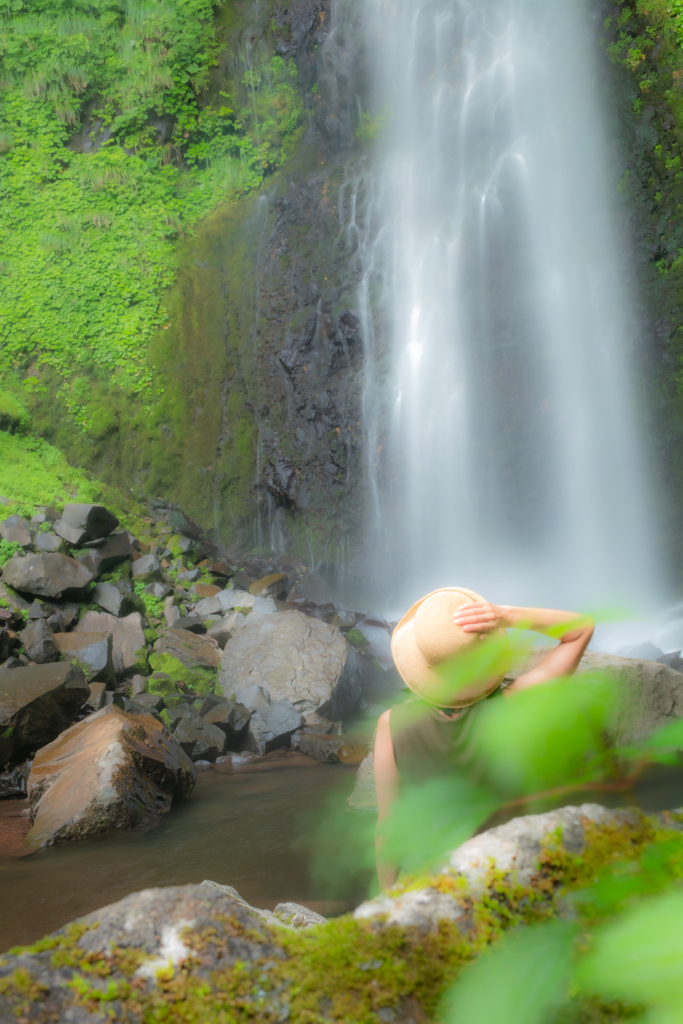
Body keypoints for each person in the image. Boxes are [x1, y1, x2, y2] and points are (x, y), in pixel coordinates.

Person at [374, 587, 594, 889]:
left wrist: (389, 902)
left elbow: (388, 828)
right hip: (504, 879)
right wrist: (505, 615)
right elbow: (581, 629)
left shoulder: (392, 724)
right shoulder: (514, 704)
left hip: (429, 888)